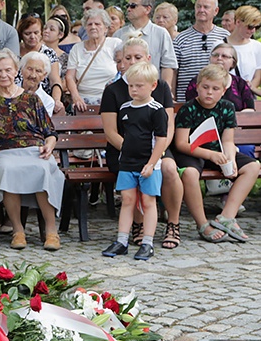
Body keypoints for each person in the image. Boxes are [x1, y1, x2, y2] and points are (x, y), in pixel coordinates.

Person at [0, 49, 64, 251]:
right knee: (5, 170)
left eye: (8, 70)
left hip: (34, 149)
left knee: (42, 169)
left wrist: (49, 145)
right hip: (3, 152)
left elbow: (50, 132)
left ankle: (51, 231)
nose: (3, 75)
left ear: (16, 72)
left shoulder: (32, 99)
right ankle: (18, 230)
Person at [101, 37, 183, 250]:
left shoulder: (160, 86)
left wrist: (157, 152)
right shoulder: (113, 90)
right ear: (121, 61)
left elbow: (168, 126)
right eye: (127, 58)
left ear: (147, 59)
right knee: (134, 175)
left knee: (169, 168)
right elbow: (111, 132)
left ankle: (173, 223)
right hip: (123, 149)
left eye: (138, 57)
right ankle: (137, 225)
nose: (132, 61)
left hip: (156, 147)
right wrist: (132, 150)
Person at [174, 64, 260, 243]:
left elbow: (227, 140)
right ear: (197, 87)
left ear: (224, 90)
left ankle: (227, 217)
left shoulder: (227, 107)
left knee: (253, 167)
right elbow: (181, 143)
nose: (209, 93)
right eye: (205, 87)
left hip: (217, 151)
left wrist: (229, 159)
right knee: (189, 174)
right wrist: (210, 155)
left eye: (215, 89)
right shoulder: (188, 109)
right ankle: (203, 224)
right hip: (192, 152)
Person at [101, 62, 168, 261]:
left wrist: (151, 163)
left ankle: (147, 242)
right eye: (131, 86)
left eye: (139, 86)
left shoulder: (156, 110)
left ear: (152, 86)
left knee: (148, 202)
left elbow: (161, 139)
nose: (134, 90)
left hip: (149, 164)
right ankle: (122, 240)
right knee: (127, 200)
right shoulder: (124, 108)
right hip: (127, 163)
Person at [186, 43, 255, 158]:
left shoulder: (240, 83)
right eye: (215, 55)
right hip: (205, 134)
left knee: (246, 148)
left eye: (224, 56)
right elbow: (193, 106)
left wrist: (232, 124)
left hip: (235, 133)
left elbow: (249, 109)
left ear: (233, 62)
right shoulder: (197, 82)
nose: (219, 58)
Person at [113, 0, 178, 91]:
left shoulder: (161, 33)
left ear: (147, 9)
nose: (128, 9)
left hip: (152, 90)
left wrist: (165, 90)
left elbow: (168, 65)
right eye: (128, 6)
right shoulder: (118, 35)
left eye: (133, 6)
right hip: (124, 91)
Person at [173, 0, 229, 102]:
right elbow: (174, 70)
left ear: (216, 11)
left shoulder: (225, 36)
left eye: (206, 7)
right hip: (186, 101)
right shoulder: (181, 39)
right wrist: (172, 95)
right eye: (198, 6)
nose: (201, 10)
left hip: (215, 101)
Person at [66, 9, 122, 111]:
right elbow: (70, 77)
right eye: (89, 24)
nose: (93, 27)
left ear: (106, 27)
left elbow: (125, 69)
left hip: (111, 99)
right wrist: (76, 98)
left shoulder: (115, 44)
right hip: (83, 102)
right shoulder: (77, 49)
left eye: (97, 24)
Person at [16, 15, 62, 107]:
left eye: (36, 32)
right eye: (28, 33)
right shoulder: (14, 51)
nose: (32, 37)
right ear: (21, 34)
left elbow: (55, 81)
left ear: (41, 33)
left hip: (42, 102)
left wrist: (56, 100)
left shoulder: (49, 53)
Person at [225, 5, 261, 96]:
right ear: (238, 22)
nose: (253, 31)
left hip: (248, 96)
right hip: (226, 95)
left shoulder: (256, 46)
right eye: (250, 27)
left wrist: (248, 89)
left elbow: (258, 74)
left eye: (256, 27)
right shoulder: (220, 45)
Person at [20, 51, 58, 115]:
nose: (33, 75)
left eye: (38, 71)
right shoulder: (10, 92)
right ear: (22, 70)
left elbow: (43, 124)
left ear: (44, 75)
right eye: (30, 69)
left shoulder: (47, 101)